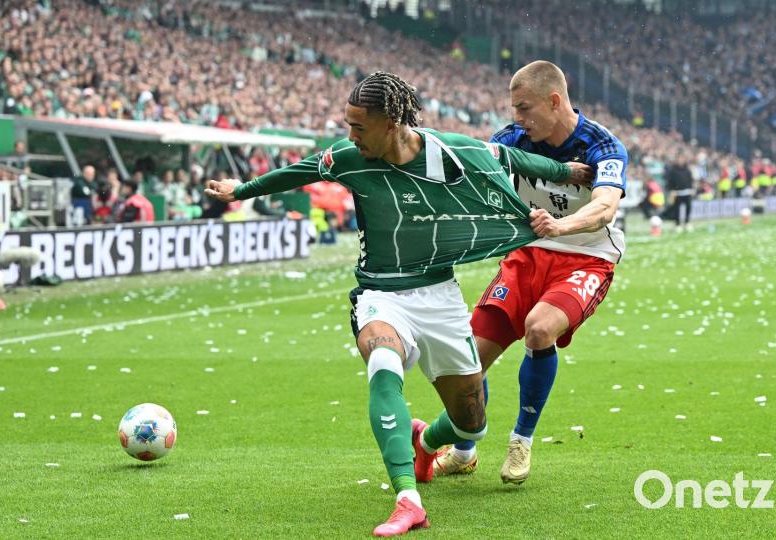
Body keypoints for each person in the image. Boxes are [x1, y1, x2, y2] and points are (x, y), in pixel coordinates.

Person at [204, 71, 591, 537]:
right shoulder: (349, 158)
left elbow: (508, 157)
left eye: (358, 126)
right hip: (379, 293)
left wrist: (567, 172)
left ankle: (426, 442)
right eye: (347, 125)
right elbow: (301, 170)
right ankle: (408, 499)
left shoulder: (452, 151)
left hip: (438, 297)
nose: (349, 135)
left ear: (391, 123)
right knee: (383, 361)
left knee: (471, 427)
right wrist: (241, 190)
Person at [436, 61, 627, 485]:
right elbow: (471, 179)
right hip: (527, 256)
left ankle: (521, 440)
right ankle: (465, 449)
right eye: (514, 109)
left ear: (554, 101)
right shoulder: (511, 141)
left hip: (586, 258)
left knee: (539, 330)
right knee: (466, 363)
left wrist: (562, 226)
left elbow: (605, 207)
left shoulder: (602, 145)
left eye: (524, 108)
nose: (517, 118)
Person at [664, 154, 694, 231]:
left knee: (688, 208)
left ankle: (687, 223)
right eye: (679, 158)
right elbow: (669, 181)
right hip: (677, 192)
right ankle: (678, 224)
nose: (681, 160)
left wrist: (691, 188)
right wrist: (672, 190)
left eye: (682, 158)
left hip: (687, 192)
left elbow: (690, 180)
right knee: (676, 209)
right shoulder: (672, 170)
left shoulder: (687, 169)